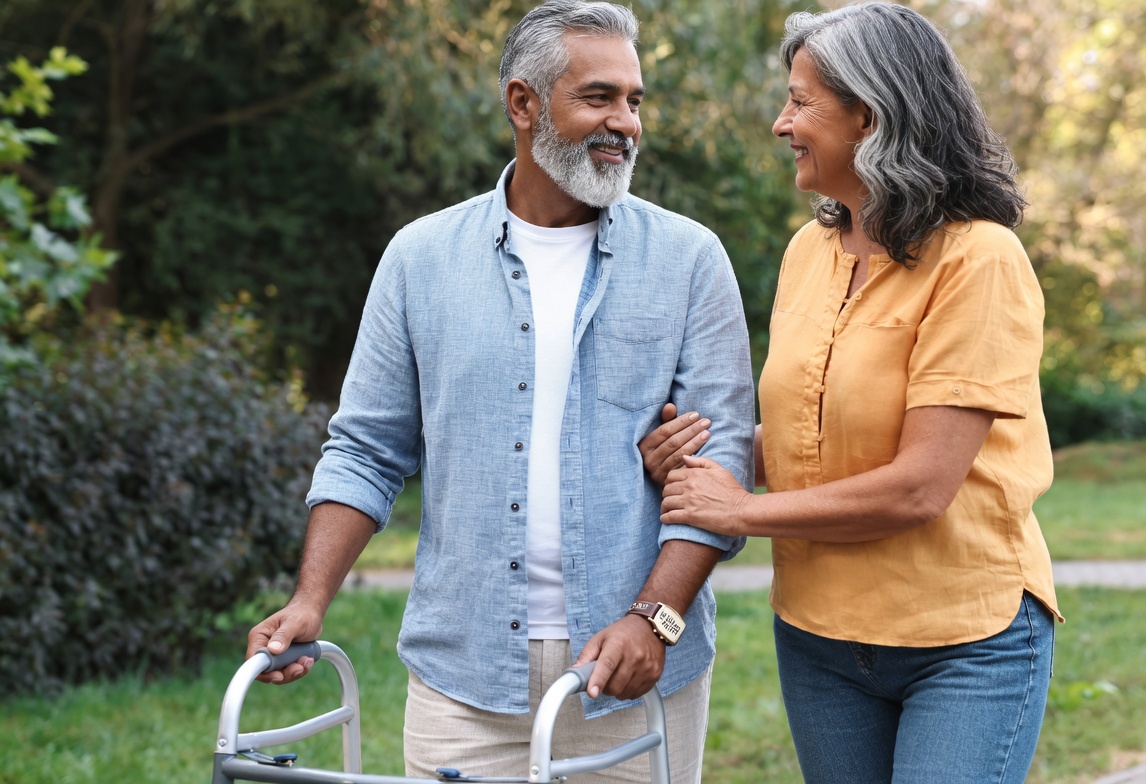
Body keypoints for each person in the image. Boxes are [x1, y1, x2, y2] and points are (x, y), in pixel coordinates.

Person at [245, 2, 755, 781]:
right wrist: (312, 598)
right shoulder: (420, 259)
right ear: (523, 104)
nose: (626, 122)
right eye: (598, 97)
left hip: (630, 672)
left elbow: (722, 467)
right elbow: (367, 449)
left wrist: (655, 620)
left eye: (635, 100)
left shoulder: (689, 260)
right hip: (462, 684)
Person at [640, 4, 1062, 783]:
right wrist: (707, 453)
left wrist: (739, 511)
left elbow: (919, 486)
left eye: (800, 102)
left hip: (963, 640)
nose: (780, 123)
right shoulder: (809, 253)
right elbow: (816, 435)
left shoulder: (980, 259)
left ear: (868, 116)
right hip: (819, 637)